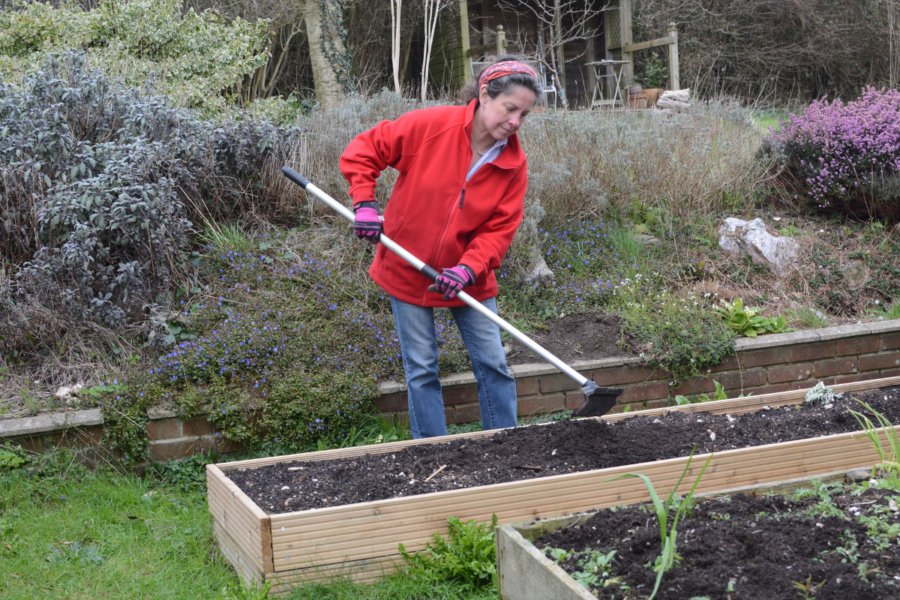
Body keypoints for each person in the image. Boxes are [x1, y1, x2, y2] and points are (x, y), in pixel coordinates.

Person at [340, 57, 542, 439]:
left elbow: (499, 230)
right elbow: (364, 150)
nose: (515, 122)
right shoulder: (431, 126)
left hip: (469, 279)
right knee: (422, 369)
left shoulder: (514, 163)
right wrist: (364, 202)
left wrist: (468, 269)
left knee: (494, 364)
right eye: (510, 108)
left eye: (524, 115)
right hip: (406, 267)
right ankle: (433, 453)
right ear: (485, 94)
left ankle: (506, 446)